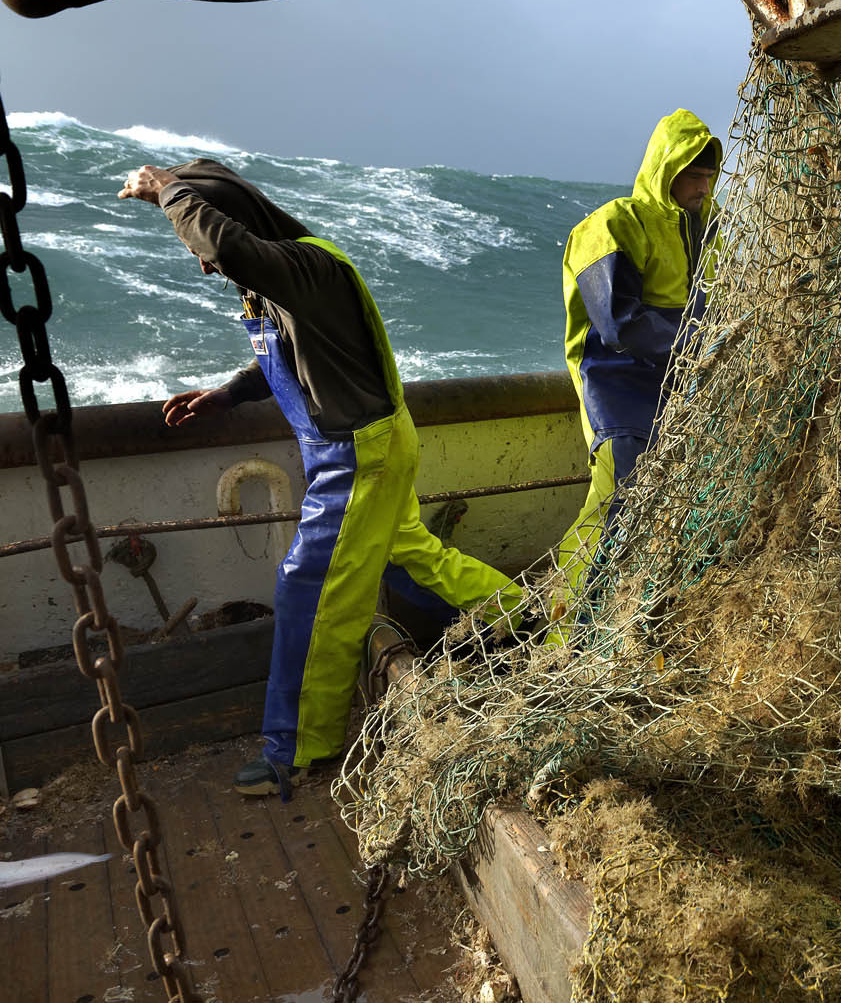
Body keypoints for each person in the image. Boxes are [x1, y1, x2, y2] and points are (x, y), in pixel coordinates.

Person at [119, 159, 517, 798]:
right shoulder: (289, 284)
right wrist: (228, 394)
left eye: (202, 247)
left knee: (310, 586)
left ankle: (297, 747)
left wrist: (166, 189)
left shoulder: (309, 266)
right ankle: (528, 619)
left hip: (357, 454)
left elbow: (224, 245)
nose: (203, 265)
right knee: (407, 557)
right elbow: (296, 358)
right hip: (371, 442)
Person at [551, 109, 720, 614]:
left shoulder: (705, 229)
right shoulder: (611, 224)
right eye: (693, 174)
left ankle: (625, 620)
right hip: (616, 386)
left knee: (666, 511)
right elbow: (619, 324)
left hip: (677, 386)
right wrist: (705, 340)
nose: (703, 186)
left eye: (709, 175)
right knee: (610, 508)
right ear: (666, 170)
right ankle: (562, 624)